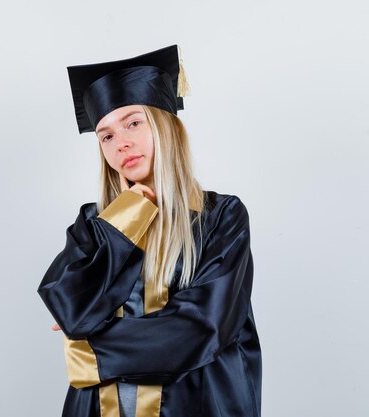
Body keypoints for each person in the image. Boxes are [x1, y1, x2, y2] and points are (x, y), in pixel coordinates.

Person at [37, 45, 262, 417]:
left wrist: (88, 351)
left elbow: (199, 329)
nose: (121, 142)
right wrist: (127, 217)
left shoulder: (221, 217)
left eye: (133, 122)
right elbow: (71, 309)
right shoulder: (93, 226)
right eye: (106, 136)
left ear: (165, 125)